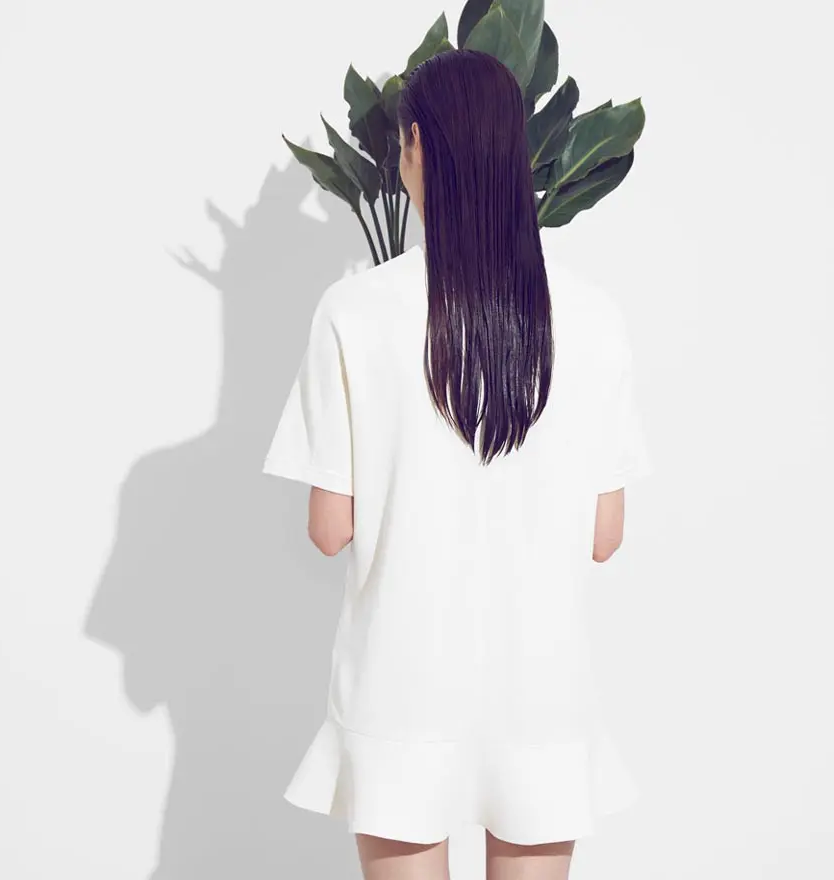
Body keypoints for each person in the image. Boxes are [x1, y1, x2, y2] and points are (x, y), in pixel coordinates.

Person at [261, 48, 653, 880]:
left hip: (401, 687)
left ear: (413, 149)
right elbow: (605, 535)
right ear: (519, 152)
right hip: (540, 689)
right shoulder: (593, 316)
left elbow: (329, 530)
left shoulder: (355, 311)